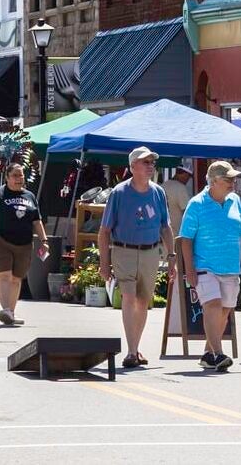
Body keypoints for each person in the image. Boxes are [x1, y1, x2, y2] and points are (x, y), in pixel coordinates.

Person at [97, 147, 173, 369]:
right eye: (145, 162)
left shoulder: (158, 192)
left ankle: (135, 346)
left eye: (152, 162)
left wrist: (172, 256)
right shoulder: (119, 193)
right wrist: (104, 263)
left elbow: (165, 227)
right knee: (129, 297)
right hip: (124, 251)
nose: (150, 165)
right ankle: (131, 351)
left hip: (150, 252)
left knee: (143, 300)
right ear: (132, 167)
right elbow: (104, 231)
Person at [178, 160, 241, 372]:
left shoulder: (235, 200)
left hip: (230, 266)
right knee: (213, 305)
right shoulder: (197, 204)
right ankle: (218, 353)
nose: (232, 183)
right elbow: (186, 239)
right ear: (214, 181)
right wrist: (189, 269)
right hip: (205, 266)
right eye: (228, 179)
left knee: (225, 310)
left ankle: (209, 353)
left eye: (233, 179)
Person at [0, 164, 48, 327]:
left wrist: (44, 241)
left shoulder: (30, 196)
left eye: (21, 176)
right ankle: (6, 310)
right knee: (4, 275)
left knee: (17, 279)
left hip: (24, 243)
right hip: (1, 241)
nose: (19, 179)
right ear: (7, 177)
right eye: (15, 176)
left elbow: (36, 220)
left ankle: (10, 311)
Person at [162, 161, 193, 236]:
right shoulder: (180, 188)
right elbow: (188, 213)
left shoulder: (163, 186)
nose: (188, 180)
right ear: (185, 174)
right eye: (188, 177)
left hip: (163, 235)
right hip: (176, 235)